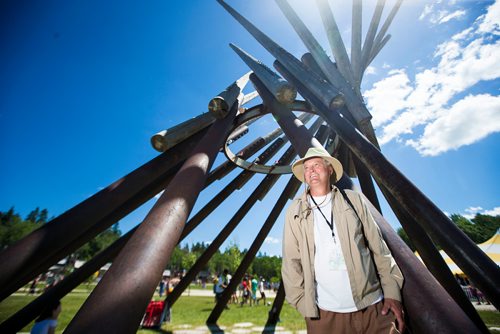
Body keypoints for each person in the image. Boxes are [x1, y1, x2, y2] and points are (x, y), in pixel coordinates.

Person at [282, 147, 405, 333]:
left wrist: (392, 293)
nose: (311, 171)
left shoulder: (354, 200)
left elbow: (379, 249)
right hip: (325, 316)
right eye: (307, 168)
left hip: (373, 308)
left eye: (316, 165)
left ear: (330, 169)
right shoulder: (295, 211)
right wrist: (303, 305)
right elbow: (291, 261)